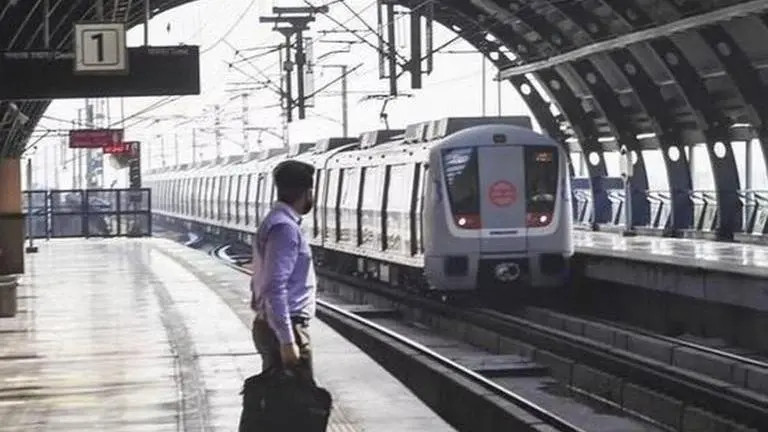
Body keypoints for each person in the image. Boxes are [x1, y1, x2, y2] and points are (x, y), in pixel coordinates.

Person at [250, 159, 317, 380]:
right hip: (286, 328)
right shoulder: (285, 228)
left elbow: (262, 279)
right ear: (307, 192)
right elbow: (274, 286)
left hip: (273, 325)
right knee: (301, 408)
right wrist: (288, 341)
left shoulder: (276, 222)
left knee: (281, 407)